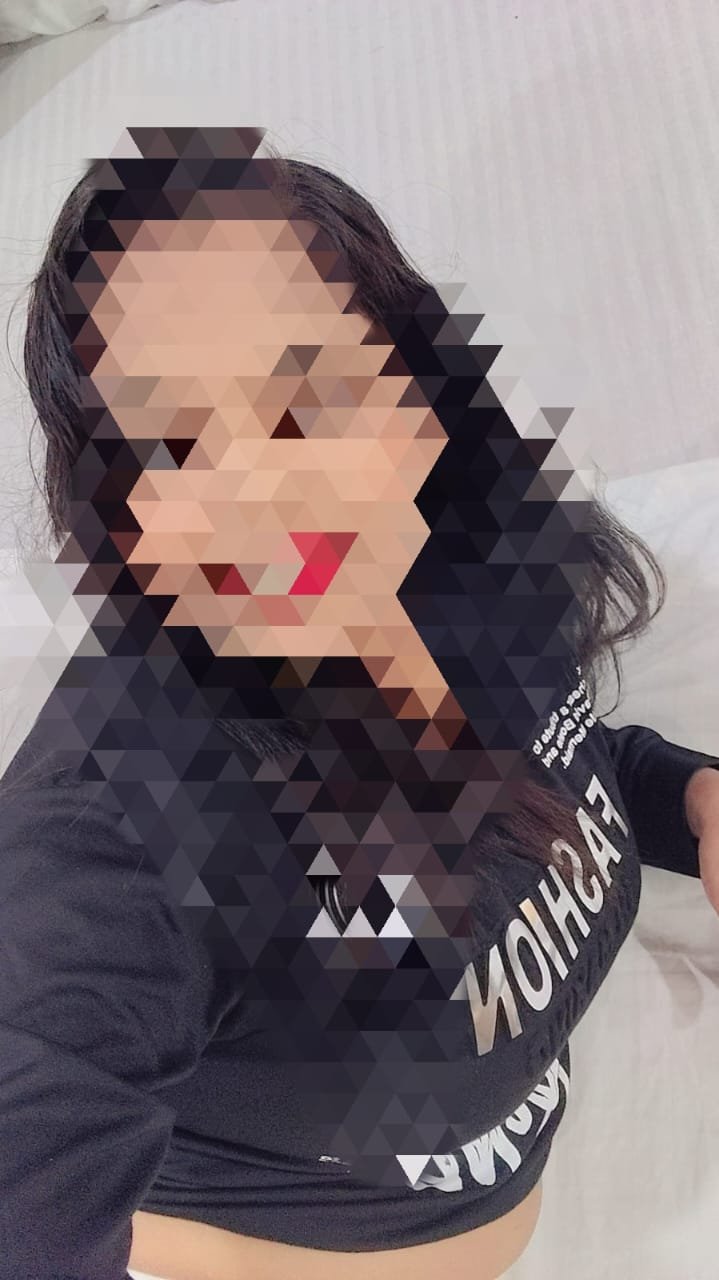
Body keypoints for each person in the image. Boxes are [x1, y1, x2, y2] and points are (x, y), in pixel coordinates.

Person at [1, 125, 718, 1280]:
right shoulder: (124, 829)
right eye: (169, 446)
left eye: (305, 400)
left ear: (413, 398)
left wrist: (686, 797)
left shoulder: (457, 563)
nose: (259, 499)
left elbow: (562, 754)